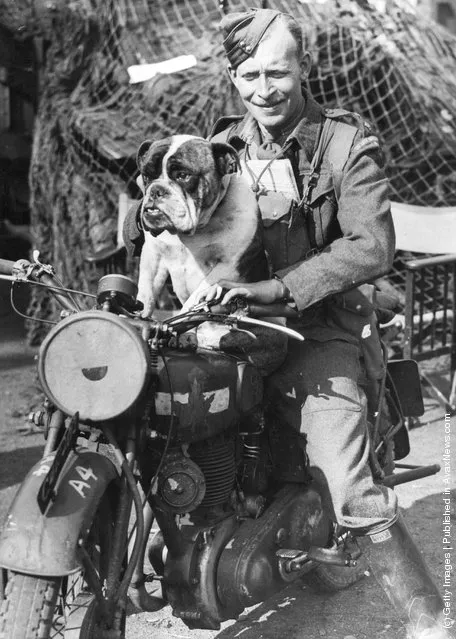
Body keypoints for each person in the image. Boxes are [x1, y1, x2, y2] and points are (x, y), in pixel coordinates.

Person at [124, 9, 451, 639]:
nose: (264, 88)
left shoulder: (346, 146)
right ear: (234, 77)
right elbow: (174, 227)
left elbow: (371, 247)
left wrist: (276, 287)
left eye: (279, 72)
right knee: (150, 416)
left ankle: (430, 619)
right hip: (229, 328)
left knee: (342, 473)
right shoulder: (221, 146)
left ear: (304, 69)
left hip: (317, 330)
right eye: (251, 74)